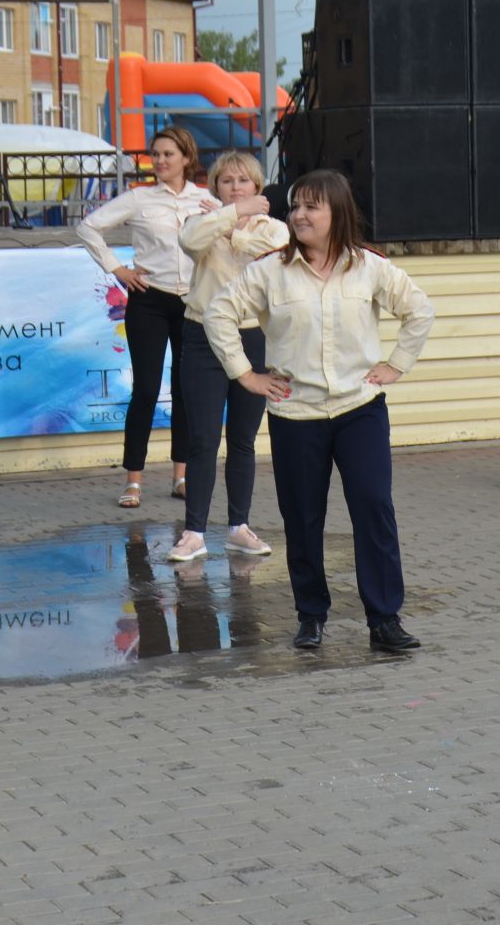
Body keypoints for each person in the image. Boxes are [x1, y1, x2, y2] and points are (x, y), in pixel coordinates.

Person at [204, 169, 434, 654]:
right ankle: (311, 616)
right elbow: (219, 312)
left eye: (312, 207)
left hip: (360, 409)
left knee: (373, 508)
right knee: (302, 519)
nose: (300, 215)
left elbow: (419, 310)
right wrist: (246, 374)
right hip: (297, 415)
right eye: (295, 206)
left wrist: (397, 364)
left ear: (337, 213)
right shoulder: (270, 269)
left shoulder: (369, 267)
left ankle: (384, 619)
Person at [76, 126, 212, 508]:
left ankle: (181, 476)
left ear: (187, 157)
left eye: (169, 154)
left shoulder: (204, 199)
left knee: (186, 390)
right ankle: (133, 480)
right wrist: (117, 269)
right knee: (147, 390)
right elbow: (88, 227)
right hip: (149, 299)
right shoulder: (139, 198)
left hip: (192, 303)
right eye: (157, 154)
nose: (161, 161)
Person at [171, 150, 289, 562]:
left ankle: (239, 526)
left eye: (243, 182)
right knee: (202, 438)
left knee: (242, 439)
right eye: (227, 181)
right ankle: (193, 532)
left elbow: (271, 249)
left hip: (251, 337)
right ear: (215, 186)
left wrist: (230, 228)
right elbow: (190, 241)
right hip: (202, 334)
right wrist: (229, 217)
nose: (235, 188)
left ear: (258, 187)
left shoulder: (272, 227)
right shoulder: (200, 220)